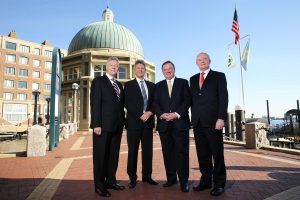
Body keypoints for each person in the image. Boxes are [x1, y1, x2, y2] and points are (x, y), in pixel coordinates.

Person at [190, 52, 228, 196]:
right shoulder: (192, 79)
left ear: (209, 61)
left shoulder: (219, 76)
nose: (202, 61)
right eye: (199, 60)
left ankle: (219, 184)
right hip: (198, 123)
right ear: (196, 63)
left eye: (204, 59)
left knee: (217, 154)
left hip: (214, 122)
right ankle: (205, 181)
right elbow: (191, 100)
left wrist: (221, 118)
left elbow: (224, 98)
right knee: (202, 154)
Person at [153, 60, 191, 192]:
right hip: (164, 124)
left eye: (170, 68)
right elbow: (155, 104)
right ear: (162, 71)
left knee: (182, 153)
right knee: (167, 153)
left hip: (180, 123)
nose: (167, 71)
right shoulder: (158, 86)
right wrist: (161, 114)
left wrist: (177, 114)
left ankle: (184, 181)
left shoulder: (183, 83)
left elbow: (187, 101)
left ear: (174, 69)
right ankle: (171, 179)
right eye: (165, 69)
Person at [90, 57, 125, 197]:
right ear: (106, 67)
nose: (113, 67)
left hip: (117, 126)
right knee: (100, 156)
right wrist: (96, 124)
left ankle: (111, 181)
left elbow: (120, 106)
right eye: (111, 65)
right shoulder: (99, 81)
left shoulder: (119, 85)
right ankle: (99, 185)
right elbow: (95, 104)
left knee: (113, 155)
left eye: (116, 66)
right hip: (102, 127)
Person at [124, 59, 158, 188]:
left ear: (145, 70)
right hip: (133, 123)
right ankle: (132, 177)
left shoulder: (152, 86)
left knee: (148, 151)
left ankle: (147, 176)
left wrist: (149, 113)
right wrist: (140, 114)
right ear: (134, 70)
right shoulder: (128, 85)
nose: (140, 70)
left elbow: (155, 103)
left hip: (148, 124)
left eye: (142, 68)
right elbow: (127, 103)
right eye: (138, 68)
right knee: (133, 151)